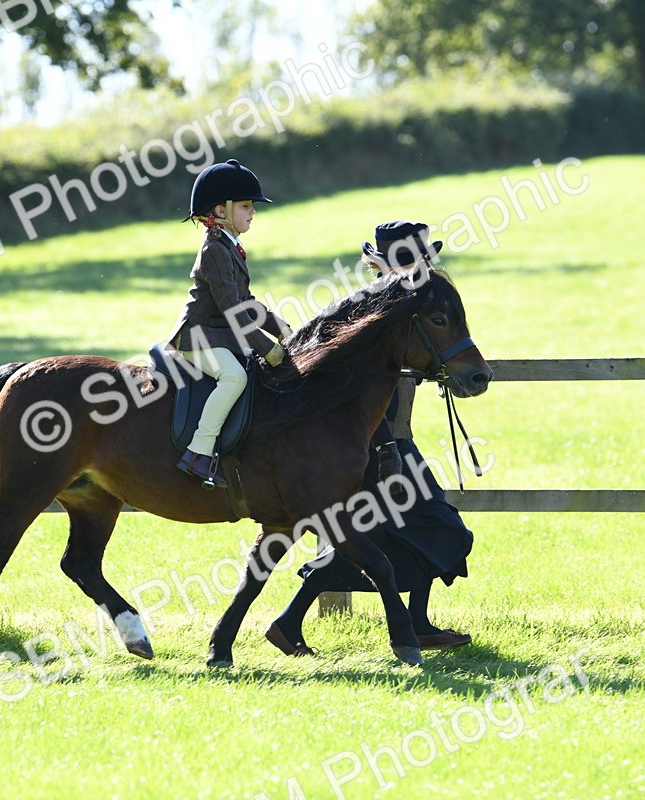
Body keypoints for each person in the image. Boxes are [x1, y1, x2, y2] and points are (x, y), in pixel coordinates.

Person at [265, 221, 475, 654]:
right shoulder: (371, 311)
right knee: (407, 530)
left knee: (415, 529)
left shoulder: (412, 306)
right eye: (415, 261)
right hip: (373, 445)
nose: (425, 268)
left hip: (395, 440)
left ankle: (411, 622)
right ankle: (297, 622)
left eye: (424, 260)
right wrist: (381, 448)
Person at [168, 159, 292, 489]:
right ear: (221, 211)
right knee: (234, 376)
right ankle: (199, 452)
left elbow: (246, 303)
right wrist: (270, 350)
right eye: (247, 206)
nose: (253, 212)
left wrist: (280, 326)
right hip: (197, 338)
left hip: (217, 335)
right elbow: (235, 313)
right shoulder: (215, 251)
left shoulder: (230, 247)